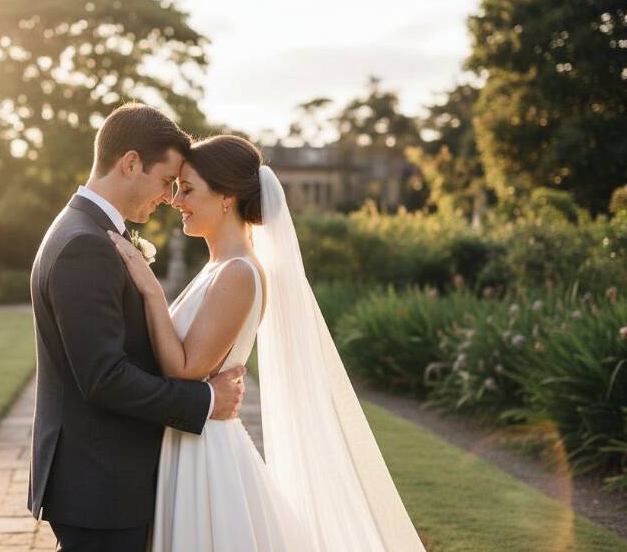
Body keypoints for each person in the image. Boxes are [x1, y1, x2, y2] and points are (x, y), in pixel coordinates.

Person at [108, 134, 427, 552]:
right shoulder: (218, 266)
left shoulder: (239, 272)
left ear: (226, 197)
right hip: (188, 439)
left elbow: (184, 370)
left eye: (187, 190)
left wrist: (150, 291)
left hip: (205, 454)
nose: (175, 200)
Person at [26, 105, 247, 552]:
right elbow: (104, 378)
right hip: (99, 483)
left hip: (102, 477)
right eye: (167, 181)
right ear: (130, 163)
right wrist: (205, 400)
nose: (170, 197)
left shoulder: (91, 230)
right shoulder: (85, 244)